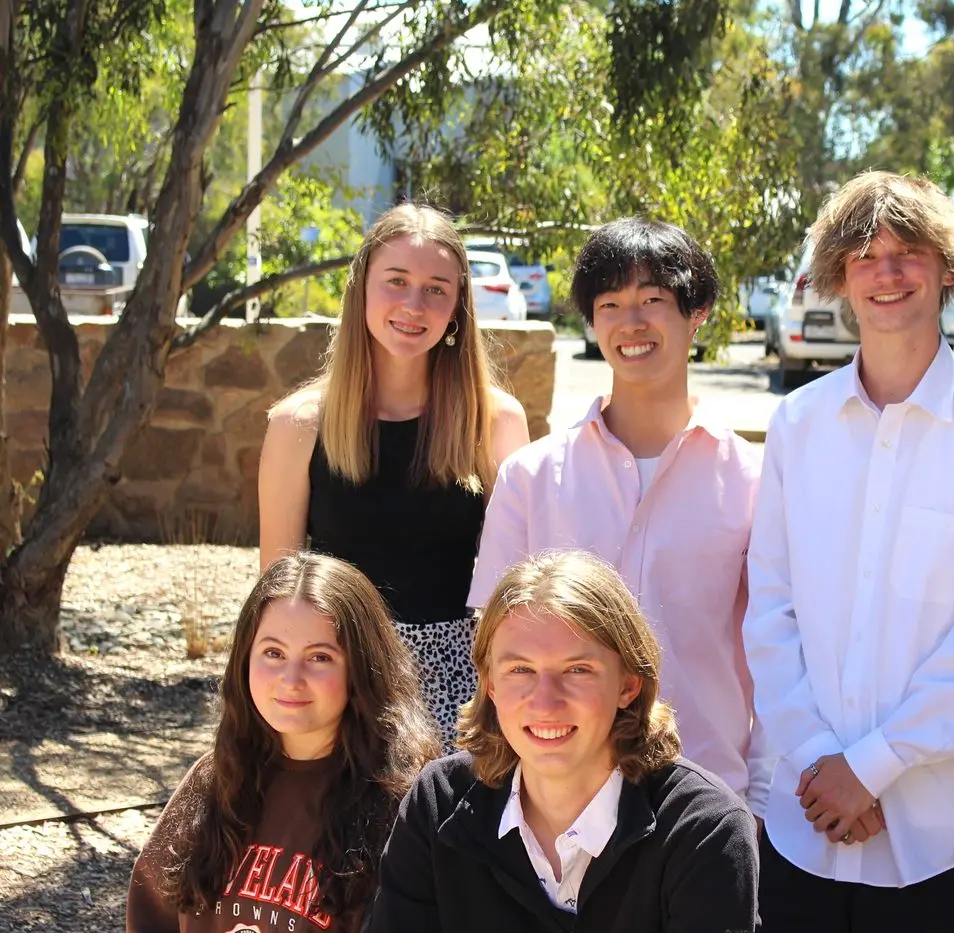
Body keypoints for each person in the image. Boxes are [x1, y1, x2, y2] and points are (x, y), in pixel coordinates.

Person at [743, 170, 954, 932]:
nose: (887, 271)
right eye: (864, 254)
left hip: (938, 839)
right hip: (803, 824)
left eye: (909, 250)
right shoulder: (797, 425)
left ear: (947, 267)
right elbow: (769, 608)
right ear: (838, 276)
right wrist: (821, 761)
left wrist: (868, 769)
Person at [468, 217, 763, 802]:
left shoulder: (754, 480)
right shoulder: (530, 476)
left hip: (701, 797)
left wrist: (760, 799)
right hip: (556, 796)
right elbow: (495, 649)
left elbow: (775, 653)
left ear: (696, 310)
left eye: (653, 299)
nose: (632, 323)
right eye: (610, 304)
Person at [369, 549, 760, 932]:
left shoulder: (703, 829)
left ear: (628, 685)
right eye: (521, 670)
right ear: (489, 686)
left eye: (577, 670)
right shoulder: (439, 804)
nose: (545, 701)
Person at [259, 203, 531, 749]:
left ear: (457, 307)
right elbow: (277, 597)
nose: (414, 304)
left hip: (459, 691)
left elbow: (520, 589)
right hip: (336, 680)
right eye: (397, 281)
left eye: (436, 288)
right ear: (361, 289)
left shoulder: (495, 422)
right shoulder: (299, 426)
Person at [126, 552, 440, 933]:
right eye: (273, 653)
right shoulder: (214, 777)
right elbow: (151, 914)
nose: (291, 679)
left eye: (320, 657)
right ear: (245, 660)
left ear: (361, 670)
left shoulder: (405, 803)